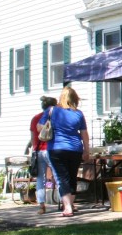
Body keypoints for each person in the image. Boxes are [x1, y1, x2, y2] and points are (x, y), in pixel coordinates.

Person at [39, 86, 90, 217]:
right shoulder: (78, 114)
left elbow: (39, 127)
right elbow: (84, 134)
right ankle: (70, 204)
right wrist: (86, 151)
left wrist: (50, 125)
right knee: (72, 177)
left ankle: (68, 207)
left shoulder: (51, 111)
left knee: (62, 178)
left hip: (56, 148)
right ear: (75, 99)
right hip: (75, 149)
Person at [30, 96, 59, 214]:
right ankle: (66, 203)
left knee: (40, 179)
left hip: (39, 151)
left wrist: (34, 150)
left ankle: (42, 206)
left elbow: (33, 138)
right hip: (51, 150)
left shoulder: (35, 118)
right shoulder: (56, 117)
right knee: (58, 176)